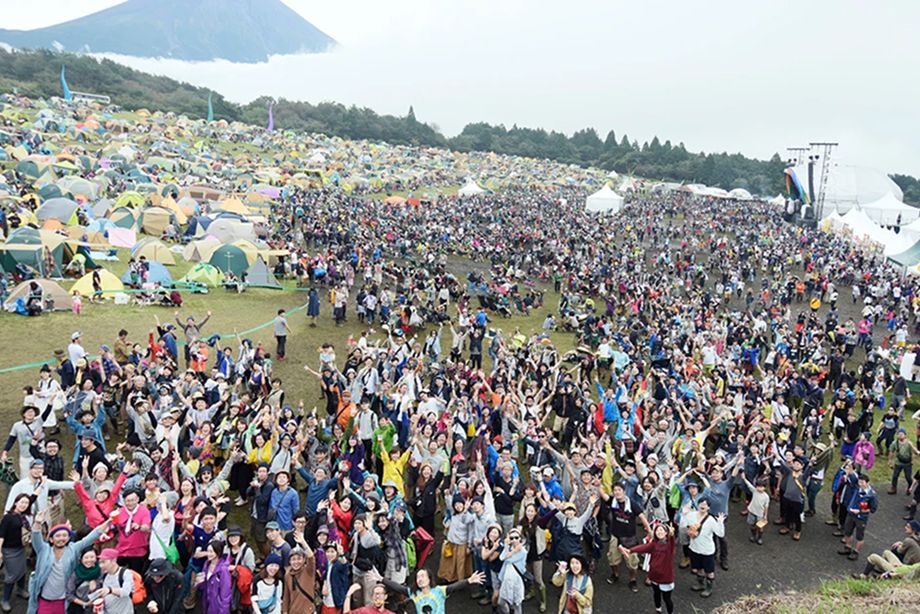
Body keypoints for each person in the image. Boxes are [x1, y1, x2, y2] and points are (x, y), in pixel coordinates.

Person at [369, 567, 484, 614]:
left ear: (429, 579)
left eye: (423, 576)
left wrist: (469, 581)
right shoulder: (413, 593)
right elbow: (397, 587)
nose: (420, 579)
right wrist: (381, 579)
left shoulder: (439, 590)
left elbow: (455, 587)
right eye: (418, 577)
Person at [621, 524, 677, 614]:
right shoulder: (654, 544)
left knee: (667, 598)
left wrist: (672, 534)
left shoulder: (670, 546)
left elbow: (673, 542)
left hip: (666, 578)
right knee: (656, 594)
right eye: (657, 530)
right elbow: (643, 548)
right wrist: (630, 550)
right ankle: (658, 610)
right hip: (654, 576)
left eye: (662, 530)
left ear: (666, 533)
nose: (659, 532)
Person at [680, 497, 725, 598]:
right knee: (698, 569)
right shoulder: (691, 516)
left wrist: (720, 522)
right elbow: (683, 525)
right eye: (701, 503)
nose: (703, 505)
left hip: (707, 551)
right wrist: (683, 514)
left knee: (709, 571)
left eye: (705, 504)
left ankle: (709, 588)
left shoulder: (711, 520)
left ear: (709, 507)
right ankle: (700, 584)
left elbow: (720, 534)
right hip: (694, 548)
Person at [854, 520, 920, 578]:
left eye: (908, 527)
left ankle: (864, 576)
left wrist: (901, 545)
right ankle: (880, 571)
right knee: (886, 552)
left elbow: (899, 551)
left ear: (913, 530)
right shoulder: (916, 540)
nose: (905, 527)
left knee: (873, 557)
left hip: (901, 571)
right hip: (906, 568)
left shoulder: (909, 541)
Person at [0, 493, 32, 612]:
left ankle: (20, 589)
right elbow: (1, 535)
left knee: (22, 570)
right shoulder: (8, 518)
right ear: (16, 502)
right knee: (11, 575)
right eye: (22, 502)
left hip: (20, 549)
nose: (24, 505)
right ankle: (5, 599)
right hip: (9, 550)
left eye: (26, 503)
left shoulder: (22, 517)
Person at [839, 473, 879, 562]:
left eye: (862, 482)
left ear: (867, 482)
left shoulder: (871, 495)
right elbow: (852, 475)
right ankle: (848, 547)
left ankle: (856, 552)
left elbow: (872, 509)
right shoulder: (857, 488)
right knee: (847, 531)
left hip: (861, 517)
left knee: (859, 536)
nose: (860, 484)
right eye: (859, 482)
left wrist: (860, 511)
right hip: (851, 514)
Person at [94, 548, 135, 614]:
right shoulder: (104, 575)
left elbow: (126, 592)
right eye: (100, 562)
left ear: (113, 561)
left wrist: (110, 590)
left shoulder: (125, 573)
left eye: (103, 562)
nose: (101, 566)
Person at [200, 540, 232, 614]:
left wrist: (223, 611)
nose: (208, 554)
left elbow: (226, 593)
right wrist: (199, 582)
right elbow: (203, 586)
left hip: (217, 605)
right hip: (207, 602)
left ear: (218, 552)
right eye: (207, 551)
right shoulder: (206, 564)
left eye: (211, 552)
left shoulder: (223, 570)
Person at [64, 548, 100, 614]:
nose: (89, 560)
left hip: (96, 607)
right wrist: (84, 604)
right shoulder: (76, 573)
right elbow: (69, 594)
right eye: (86, 557)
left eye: (92, 557)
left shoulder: (101, 571)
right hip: (78, 607)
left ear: (96, 558)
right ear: (81, 559)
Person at [281, 546, 316, 614]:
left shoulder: (308, 571)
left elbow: (311, 557)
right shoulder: (288, 575)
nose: (296, 562)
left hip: (308, 611)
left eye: (299, 559)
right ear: (290, 561)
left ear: (303, 560)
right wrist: (285, 611)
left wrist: (302, 541)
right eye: (293, 559)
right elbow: (286, 595)